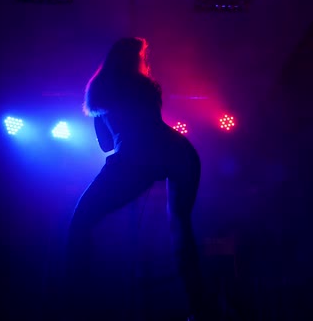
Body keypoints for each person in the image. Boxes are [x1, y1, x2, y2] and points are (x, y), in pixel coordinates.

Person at [65, 37, 215, 321]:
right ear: (137, 58)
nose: (146, 61)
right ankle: (200, 309)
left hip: (134, 158)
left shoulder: (98, 91)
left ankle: (73, 305)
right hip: (177, 150)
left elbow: (106, 145)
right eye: (144, 56)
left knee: (80, 224)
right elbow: (151, 124)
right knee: (181, 229)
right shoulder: (147, 86)